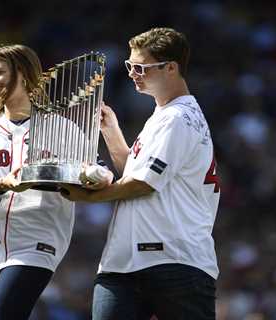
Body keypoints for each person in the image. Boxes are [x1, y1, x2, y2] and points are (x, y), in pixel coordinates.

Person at [60, 28, 220, 319]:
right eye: (129, 66)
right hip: (126, 262)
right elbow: (135, 172)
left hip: (176, 261)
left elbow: (143, 184)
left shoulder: (177, 117)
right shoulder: (163, 116)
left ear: (170, 68)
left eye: (141, 67)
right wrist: (111, 132)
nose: (133, 73)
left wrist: (88, 197)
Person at [0, 44, 111, 320]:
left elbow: (99, 173)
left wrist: (94, 176)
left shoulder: (60, 127)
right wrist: (2, 184)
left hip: (36, 235)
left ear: (22, 74)